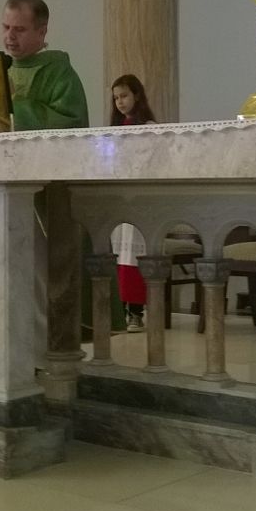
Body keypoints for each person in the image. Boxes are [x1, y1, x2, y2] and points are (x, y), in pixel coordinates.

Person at [107, 74, 156, 330]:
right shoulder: (116, 129)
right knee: (119, 255)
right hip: (119, 196)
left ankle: (136, 311)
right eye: (116, 98)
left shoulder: (148, 127)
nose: (120, 102)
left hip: (140, 198)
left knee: (134, 256)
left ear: (137, 95)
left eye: (124, 96)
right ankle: (121, 310)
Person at [2, 0, 89, 131]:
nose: (10, 36)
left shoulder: (59, 72)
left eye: (19, 29)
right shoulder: (0, 68)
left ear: (42, 32)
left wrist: (15, 102)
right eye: (6, 27)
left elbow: (72, 125)